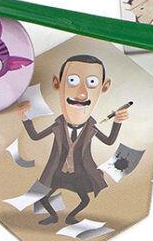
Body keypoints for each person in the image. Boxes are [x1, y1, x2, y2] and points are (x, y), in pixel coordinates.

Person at [18, 54, 128, 225]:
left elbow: (109, 141)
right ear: (57, 83)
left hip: (79, 174)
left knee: (84, 200)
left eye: (92, 82)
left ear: (104, 87)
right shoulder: (57, 125)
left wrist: (117, 122)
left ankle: (71, 216)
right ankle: (53, 216)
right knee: (43, 197)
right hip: (58, 172)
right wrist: (25, 118)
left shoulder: (91, 128)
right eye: (72, 81)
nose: (82, 94)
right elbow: (35, 136)